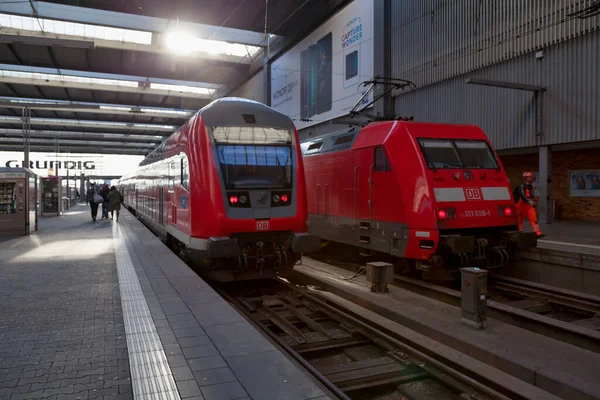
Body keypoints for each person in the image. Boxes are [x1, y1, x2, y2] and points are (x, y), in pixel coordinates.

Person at [514, 172, 544, 238]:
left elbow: (532, 195)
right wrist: (529, 201)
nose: (531, 178)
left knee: (533, 219)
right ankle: (519, 232)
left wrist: (532, 201)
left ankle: (537, 233)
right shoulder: (521, 186)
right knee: (519, 220)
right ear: (526, 178)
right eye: (529, 177)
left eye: (531, 177)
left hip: (528, 205)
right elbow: (522, 195)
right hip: (520, 205)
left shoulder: (530, 187)